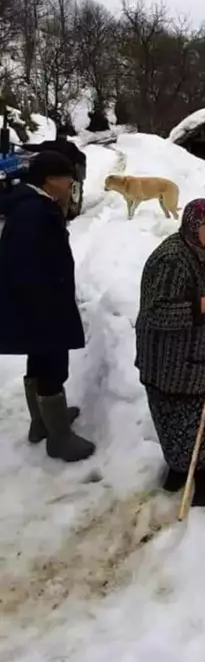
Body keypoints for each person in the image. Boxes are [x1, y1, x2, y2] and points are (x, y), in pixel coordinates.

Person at [135, 198, 205, 508]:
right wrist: (204, 306)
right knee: (189, 418)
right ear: (190, 225)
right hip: (168, 359)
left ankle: (178, 470)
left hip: (193, 355)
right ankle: (204, 487)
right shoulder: (171, 260)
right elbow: (155, 313)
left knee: (189, 416)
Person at [0, 150, 95, 460]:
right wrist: (44, 307)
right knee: (53, 366)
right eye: (68, 178)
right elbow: (23, 265)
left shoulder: (33, 205)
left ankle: (41, 423)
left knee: (39, 360)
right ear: (50, 180)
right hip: (42, 305)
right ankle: (60, 440)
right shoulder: (34, 213)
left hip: (38, 303)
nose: (71, 184)